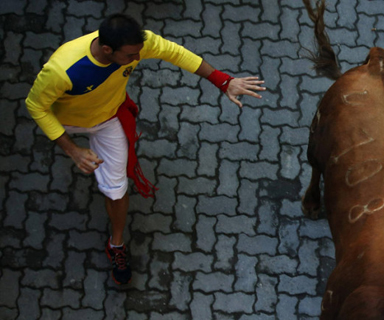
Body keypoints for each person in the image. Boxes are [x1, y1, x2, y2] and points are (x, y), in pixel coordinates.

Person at [25, 14, 266, 285]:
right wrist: (73, 150)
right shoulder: (62, 70)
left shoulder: (137, 45)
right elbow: (36, 106)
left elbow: (175, 53)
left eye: (139, 52)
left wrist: (223, 81)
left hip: (108, 120)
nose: (137, 58)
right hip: (69, 123)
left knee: (117, 188)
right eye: (130, 55)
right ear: (107, 50)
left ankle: (116, 244)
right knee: (79, 153)